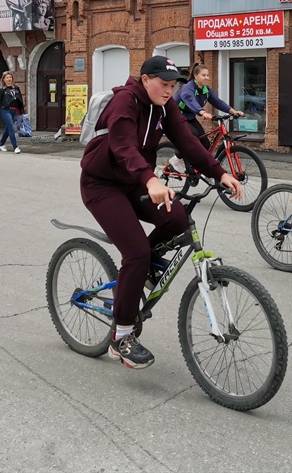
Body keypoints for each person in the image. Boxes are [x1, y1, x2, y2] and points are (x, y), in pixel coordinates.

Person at [80, 55, 245, 369]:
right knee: (137, 252)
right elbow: (123, 147)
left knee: (177, 218)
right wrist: (151, 178)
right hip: (101, 184)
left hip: (136, 181)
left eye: (173, 85)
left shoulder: (164, 105)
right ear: (145, 79)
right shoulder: (125, 102)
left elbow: (189, 142)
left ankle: (145, 270)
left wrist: (220, 173)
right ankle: (121, 336)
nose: (169, 90)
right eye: (164, 84)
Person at [166, 63, 244, 173]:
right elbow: (190, 101)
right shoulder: (188, 87)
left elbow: (218, 102)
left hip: (189, 117)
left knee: (205, 143)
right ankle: (176, 159)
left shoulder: (206, 89)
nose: (207, 78)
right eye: (204, 75)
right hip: (175, 115)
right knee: (194, 136)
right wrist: (202, 112)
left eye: (208, 75)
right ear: (195, 76)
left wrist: (233, 111)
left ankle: (195, 166)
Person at [0, 71, 25, 153]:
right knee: (11, 128)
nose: (9, 79)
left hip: (15, 111)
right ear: (4, 79)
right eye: (7, 78)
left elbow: (20, 101)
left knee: (8, 129)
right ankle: (16, 147)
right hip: (6, 111)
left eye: (10, 77)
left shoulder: (16, 88)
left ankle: (1, 144)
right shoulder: (2, 90)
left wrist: (22, 113)